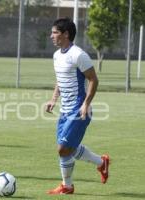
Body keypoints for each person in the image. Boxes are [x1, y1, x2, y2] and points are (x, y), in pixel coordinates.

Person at [45, 18, 110, 195]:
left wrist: (86, 104)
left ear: (66, 34)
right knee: (69, 148)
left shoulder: (78, 54)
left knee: (62, 149)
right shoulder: (57, 55)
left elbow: (93, 80)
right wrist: (53, 99)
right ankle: (101, 162)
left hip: (79, 110)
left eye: (55, 32)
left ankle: (67, 186)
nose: (51, 36)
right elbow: (60, 79)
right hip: (65, 111)